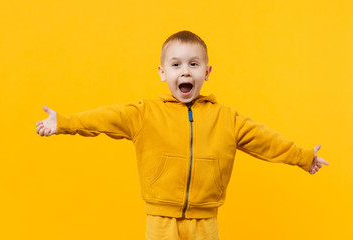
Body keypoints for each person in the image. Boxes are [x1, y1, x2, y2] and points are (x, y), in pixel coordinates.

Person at [35, 30, 329, 240]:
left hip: (205, 221)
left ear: (207, 71)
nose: (185, 71)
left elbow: (266, 141)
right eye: (176, 65)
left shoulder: (226, 118)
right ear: (163, 72)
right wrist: (63, 121)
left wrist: (303, 157)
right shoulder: (144, 114)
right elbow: (105, 118)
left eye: (193, 64)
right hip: (161, 220)